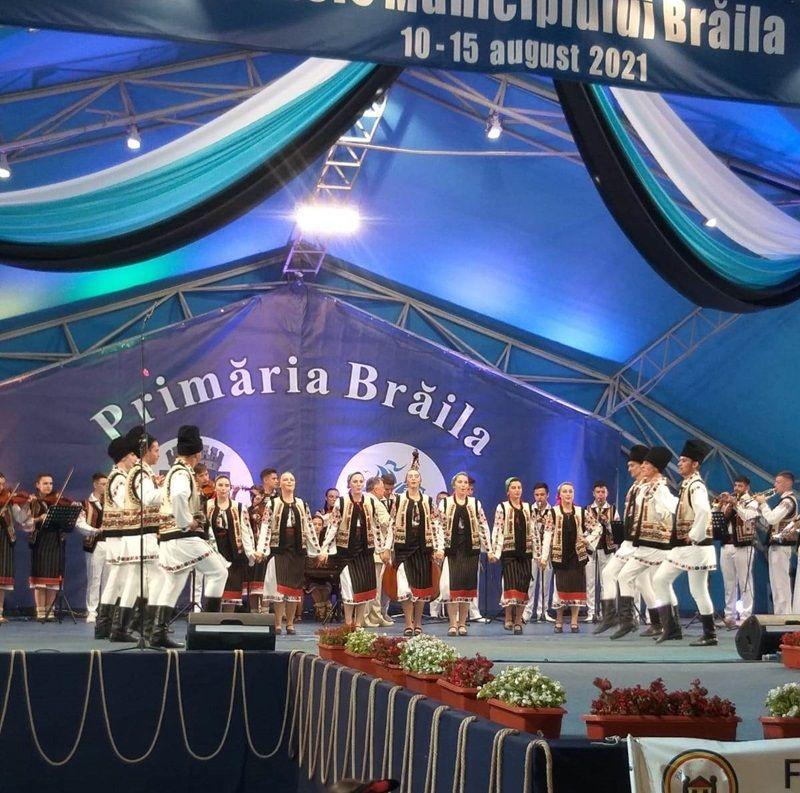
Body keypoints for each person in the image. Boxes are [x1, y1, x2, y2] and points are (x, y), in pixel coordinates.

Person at [149, 425, 229, 649]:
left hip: (170, 538)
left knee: (174, 583)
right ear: (198, 453)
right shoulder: (182, 473)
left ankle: (157, 632)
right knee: (219, 572)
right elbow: (178, 496)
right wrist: (187, 522)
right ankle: (209, 631)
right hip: (182, 536)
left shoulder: (175, 471)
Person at [651, 440, 717, 647]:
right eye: (679, 460)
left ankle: (703, 633)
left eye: (684, 461)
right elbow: (678, 507)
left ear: (695, 464)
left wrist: (695, 534)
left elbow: (704, 510)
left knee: (689, 587)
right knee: (668, 581)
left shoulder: (696, 485)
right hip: (687, 547)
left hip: (693, 547)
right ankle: (679, 629)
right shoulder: (688, 484)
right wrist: (660, 492)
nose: (679, 464)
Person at [614, 447, 678, 641]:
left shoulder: (660, 488)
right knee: (657, 583)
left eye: (647, 464)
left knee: (649, 581)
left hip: (656, 544)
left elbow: (671, 507)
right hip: (646, 543)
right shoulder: (646, 487)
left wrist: (662, 512)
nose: (643, 466)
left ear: (656, 468)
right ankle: (667, 626)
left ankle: (640, 622)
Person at [323, 472, 392, 628]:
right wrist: (324, 548)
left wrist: (384, 547)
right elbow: (333, 526)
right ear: (349, 484)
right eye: (355, 481)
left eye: (361, 481)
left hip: (365, 550)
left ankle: (359, 624)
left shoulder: (371, 501)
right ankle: (349, 623)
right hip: (346, 550)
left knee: (364, 588)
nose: (358, 484)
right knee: (348, 586)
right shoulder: (341, 501)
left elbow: (383, 524)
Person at [118, 426, 167, 643]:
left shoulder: (140, 471)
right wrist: (168, 490)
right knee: (158, 578)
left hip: (138, 532)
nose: (158, 454)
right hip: (141, 533)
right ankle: (148, 628)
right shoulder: (141, 471)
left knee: (137, 582)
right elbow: (148, 498)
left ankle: (124, 627)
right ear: (146, 451)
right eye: (156, 450)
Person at [593, 446, 649, 635]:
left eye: (632, 465)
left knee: (649, 582)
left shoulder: (648, 488)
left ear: (642, 466)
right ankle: (614, 617)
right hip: (629, 541)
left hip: (643, 542)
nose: (629, 469)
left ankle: (646, 620)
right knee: (610, 573)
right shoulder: (635, 487)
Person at [257, 472, 321, 634]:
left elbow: (309, 527)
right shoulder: (273, 503)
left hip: (297, 549)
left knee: (294, 589)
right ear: (280, 484)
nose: (289, 482)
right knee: (279, 588)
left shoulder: (301, 504)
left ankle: (290, 624)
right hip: (279, 548)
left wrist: (316, 550)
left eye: (292, 479)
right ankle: (278, 623)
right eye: (285, 479)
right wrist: (261, 549)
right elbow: (265, 526)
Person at [392, 455, 444, 636]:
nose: (413, 479)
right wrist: (387, 548)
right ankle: (408, 623)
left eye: (416, 477)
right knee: (404, 587)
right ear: (406, 480)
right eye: (410, 477)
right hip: (403, 547)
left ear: (420, 480)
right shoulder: (398, 500)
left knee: (421, 587)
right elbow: (390, 524)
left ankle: (418, 622)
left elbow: (436, 525)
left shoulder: (428, 501)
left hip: (423, 547)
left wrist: (438, 547)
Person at [540, 482, 599, 633]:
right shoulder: (553, 512)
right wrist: (544, 557)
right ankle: (559, 620)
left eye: (570, 491)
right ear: (559, 495)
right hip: (560, 555)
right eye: (565, 491)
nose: (568, 494)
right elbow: (547, 534)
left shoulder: (580, 512)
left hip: (577, 555)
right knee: (560, 587)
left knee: (576, 588)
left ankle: (574, 621)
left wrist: (587, 540)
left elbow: (598, 528)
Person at [94, 436, 138, 639]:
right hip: (118, 534)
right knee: (120, 579)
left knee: (116, 579)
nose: (135, 459)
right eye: (132, 455)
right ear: (124, 457)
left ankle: (105, 625)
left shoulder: (118, 476)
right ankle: (113, 625)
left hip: (116, 534)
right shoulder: (119, 478)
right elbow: (124, 503)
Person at [438, 472, 491, 637]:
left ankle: (462, 623)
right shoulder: (445, 503)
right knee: (452, 587)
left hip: (470, 549)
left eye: (465, 482)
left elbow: (483, 526)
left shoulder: (475, 504)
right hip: (452, 549)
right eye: (460, 482)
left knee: (466, 588)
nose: (463, 485)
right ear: (454, 485)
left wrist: (489, 549)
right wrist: (439, 548)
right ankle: (452, 623)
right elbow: (438, 527)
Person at [492, 477, 539, 635]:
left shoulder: (528, 507)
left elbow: (534, 531)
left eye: (519, 487)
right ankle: (508, 617)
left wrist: (538, 554)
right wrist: (495, 552)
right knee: (510, 585)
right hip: (509, 552)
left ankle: (518, 620)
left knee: (523, 586)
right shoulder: (502, 507)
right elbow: (498, 529)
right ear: (508, 491)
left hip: (525, 552)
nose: (517, 490)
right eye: (513, 487)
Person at [207, 475, 255, 613]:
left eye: (226, 485)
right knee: (215, 583)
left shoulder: (239, 507)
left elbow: (246, 531)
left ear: (230, 488)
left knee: (232, 584)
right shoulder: (208, 505)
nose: (223, 488)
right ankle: (213, 616)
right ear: (215, 487)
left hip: (233, 549)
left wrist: (250, 552)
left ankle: (229, 617)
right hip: (214, 548)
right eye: (220, 485)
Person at [717, 476, 758, 628]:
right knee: (729, 583)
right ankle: (729, 616)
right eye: (735, 485)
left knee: (745, 582)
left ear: (747, 487)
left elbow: (748, 516)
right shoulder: (730, 502)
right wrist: (720, 504)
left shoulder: (752, 501)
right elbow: (718, 518)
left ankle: (746, 616)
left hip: (743, 545)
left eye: (740, 486)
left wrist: (735, 504)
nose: (736, 488)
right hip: (727, 544)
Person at [27, 473, 67, 621]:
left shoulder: (57, 501)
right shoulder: (33, 501)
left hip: (55, 541)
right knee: (40, 579)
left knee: (52, 580)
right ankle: (40, 611)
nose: (49, 486)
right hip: (40, 541)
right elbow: (25, 522)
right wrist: (39, 518)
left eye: (51, 483)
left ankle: (50, 611)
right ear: (37, 485)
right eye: (45, 483)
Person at [757, 471, 798, 615]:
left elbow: (772, 518)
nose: (775, 485)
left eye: (778, 482)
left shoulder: (788, 501)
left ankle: (785, 615)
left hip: (781, 547)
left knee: (781, 584)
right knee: (776, 584)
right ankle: (779, 615)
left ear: (788, 483)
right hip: (776, 546)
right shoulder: (783, 501)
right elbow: (770, 522)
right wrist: (759, 510)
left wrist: (763, 504)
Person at [584, 481, 620, 622]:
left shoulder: (613, 509)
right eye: (598, 492)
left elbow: (617, 532)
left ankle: (607, 613)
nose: (600, 495)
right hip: (591, 550)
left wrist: (608, 523)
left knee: (607, 581)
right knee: (590, 582)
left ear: (607, 493)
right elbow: (583, 530)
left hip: (607, 549)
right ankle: (591, 612)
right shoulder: (587, 509)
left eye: (603, 492)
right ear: (593, 494)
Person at [75, 472, 107, 624]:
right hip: (95, 544)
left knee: (109, 579)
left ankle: (106, 610)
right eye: (103, 484)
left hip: (111, 543)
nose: (105, 487)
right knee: (94, 578)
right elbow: (79, 524)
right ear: (95, 484)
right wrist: (95, 530)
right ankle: (92, 610)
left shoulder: (112, 503)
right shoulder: (85, 504)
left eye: (107, 484)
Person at [522, 483, 555, 623]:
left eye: (542, 494)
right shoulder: (529, 510)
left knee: (545, 583)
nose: (539, 497)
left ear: (548, 495)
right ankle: (527, 612)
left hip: (548, 551)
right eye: (537, 495)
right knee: (530, 582)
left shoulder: (553, 511)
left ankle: (543, 611)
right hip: (532, 551)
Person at [364, 476, 393, 628]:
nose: (384, 491)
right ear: (376, 489)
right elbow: (388, 524)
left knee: (369, 586)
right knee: (374, 587)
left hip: (365, 550)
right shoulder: (376, 503)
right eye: (382, 487)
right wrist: (385, 548)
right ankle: (370, 617)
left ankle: (371, 616)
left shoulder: (362, 500)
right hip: (376, 550)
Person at [304, 513, 336, 621]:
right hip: (310, 575)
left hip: (325, 574)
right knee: (315, 589)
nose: (317, 527)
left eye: (319, 524)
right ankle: (323, 610)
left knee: (326, 589)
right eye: (314, 524)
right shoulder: (306, 539)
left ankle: (322, 611)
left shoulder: (326, 540)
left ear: (322, 527)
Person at [427, 490, 451, 620]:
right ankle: (434, 612)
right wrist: (435, 550)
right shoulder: (432, 517)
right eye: (439, 499)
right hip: (435, 551)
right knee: (435, 580)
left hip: (450, 551)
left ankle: (449, 612)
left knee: (447, 582)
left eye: (444, 499)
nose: (442, 501)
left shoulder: (450, 516)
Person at [247, 485, 267, 613]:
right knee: (252, 582)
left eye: (257, 495)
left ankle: (265, 611)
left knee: (264, 581)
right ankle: (253, 612)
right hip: (251, 549)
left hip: (264, 549)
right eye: (252, 495)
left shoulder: (267, 510)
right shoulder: (247, 510)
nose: (255, 497)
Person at [0, 473, 18, 620]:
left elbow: (21, 518)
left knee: (1, 578)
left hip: (4, 538)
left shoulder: (8, 499)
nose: (1, 487)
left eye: (2, 484)